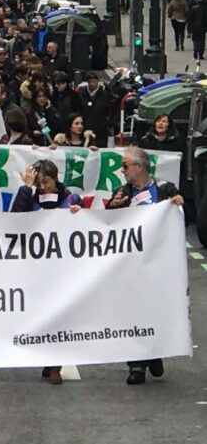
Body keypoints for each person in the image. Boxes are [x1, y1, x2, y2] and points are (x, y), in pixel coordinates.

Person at [106, 146, 183, 385]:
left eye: (126, 165)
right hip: (132, 262)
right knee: (133, 310)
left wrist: (179, 204)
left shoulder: (164, 189)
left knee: (156, 308)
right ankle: (137, 364)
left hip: (159, 260)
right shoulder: (123, 191)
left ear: (139, 166)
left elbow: (180, 218)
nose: (123, 170)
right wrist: (113, 207)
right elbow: (108, 221)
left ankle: (154, 351)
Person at [10, 159, 84, 385]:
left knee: (59, 315)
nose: (43, 187)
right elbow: (14, 221)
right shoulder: (30, 198)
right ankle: (46, 357)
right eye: (39, 182)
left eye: (47, 181)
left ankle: (55, 365)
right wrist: (26, 188)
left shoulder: (71, 199)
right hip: (35, 269)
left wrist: (79, 213)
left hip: (62, 269)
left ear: (56, 178)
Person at [79, 73, 111, 147]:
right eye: (90, 82)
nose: (92, 84)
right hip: (85, 127)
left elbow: (109, 110)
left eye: (94, 81)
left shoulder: (105, 95)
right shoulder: (81, 94)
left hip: (100, 129)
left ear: (98, 81)